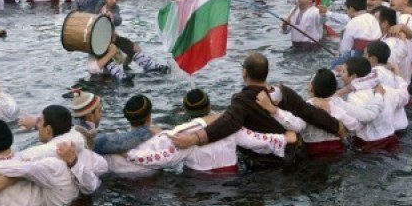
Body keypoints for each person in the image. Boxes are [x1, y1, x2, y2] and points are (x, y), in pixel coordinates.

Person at [171, 52, 345, 167]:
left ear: (244, 73)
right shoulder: (285, 93)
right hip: (294, 156)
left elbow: (227, 124)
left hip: (264, 163)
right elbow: (310, 113)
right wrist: (337, 127)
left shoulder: (242, 100)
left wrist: (193, 138)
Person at [128, 90, 294, 174]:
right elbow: (258, 140)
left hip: (198, 185)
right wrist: (285, 138)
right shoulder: (229, 125)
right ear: (209, 106)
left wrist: (129, 154)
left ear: (185, 111)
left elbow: (161, 158)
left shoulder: (182, 135)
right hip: (233, 181)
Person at [256, 69, 360, 158]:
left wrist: (275, 111)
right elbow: (354, 126)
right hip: (339, 152)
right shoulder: (339, 103)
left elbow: (297, 126)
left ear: (311, 87)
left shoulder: (306, 107)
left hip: (315, 155)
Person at [77, 0, 169, 75]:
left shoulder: (115, 8)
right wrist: (76, 15)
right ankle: (117, 71)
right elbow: (76, 2)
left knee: (135, 48)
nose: (115, 1)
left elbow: (118, 20)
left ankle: (147, 66)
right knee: (107, 56)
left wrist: (111, 16)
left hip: (110, 38)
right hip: (94, 41)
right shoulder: (95, 0)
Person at [334, 56, 396, 152]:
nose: (340, 75)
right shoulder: (381, 88)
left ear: (353, 76)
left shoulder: (354, 96)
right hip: (392, 138)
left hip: (370, 144)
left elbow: (356, 124)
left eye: (343, 72)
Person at [364, 40, 411, 133]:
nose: (363, 57)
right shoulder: (392, 73)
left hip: (388, 126)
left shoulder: (375, 74)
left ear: (373, 58)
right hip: (401, 123)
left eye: (365, 54)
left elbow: (357, 84)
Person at [324, 0, 381, 68]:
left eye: (346, 9)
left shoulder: (352, 22)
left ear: (351, 9)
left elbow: (345, 49)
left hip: (360, 57)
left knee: (334, 64)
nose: (346, 12)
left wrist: (339, 57)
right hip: (377, 54)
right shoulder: (372, 18)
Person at [389, 0, 412, 80]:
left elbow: (408, 34)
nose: (391, 0)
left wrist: (402, 27)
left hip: (407, 63)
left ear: (405, 1)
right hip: (403, 60)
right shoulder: (395, 11)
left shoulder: (406, 17)